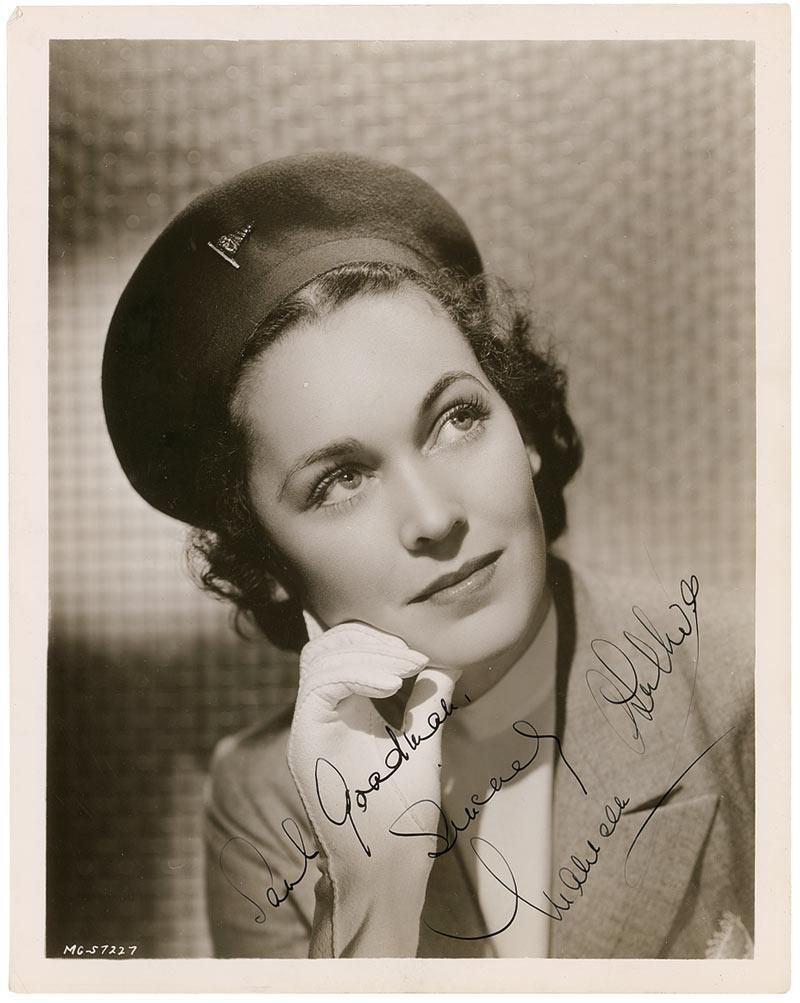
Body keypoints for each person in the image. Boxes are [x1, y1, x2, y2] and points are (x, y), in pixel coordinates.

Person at [102, 152, 754, 960]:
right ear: (266, 561)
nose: (436, 517)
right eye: (341, 479)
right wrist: (373, 894)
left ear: (523, 426)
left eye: (456, 419)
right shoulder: (261, 801)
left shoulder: (751, 682)